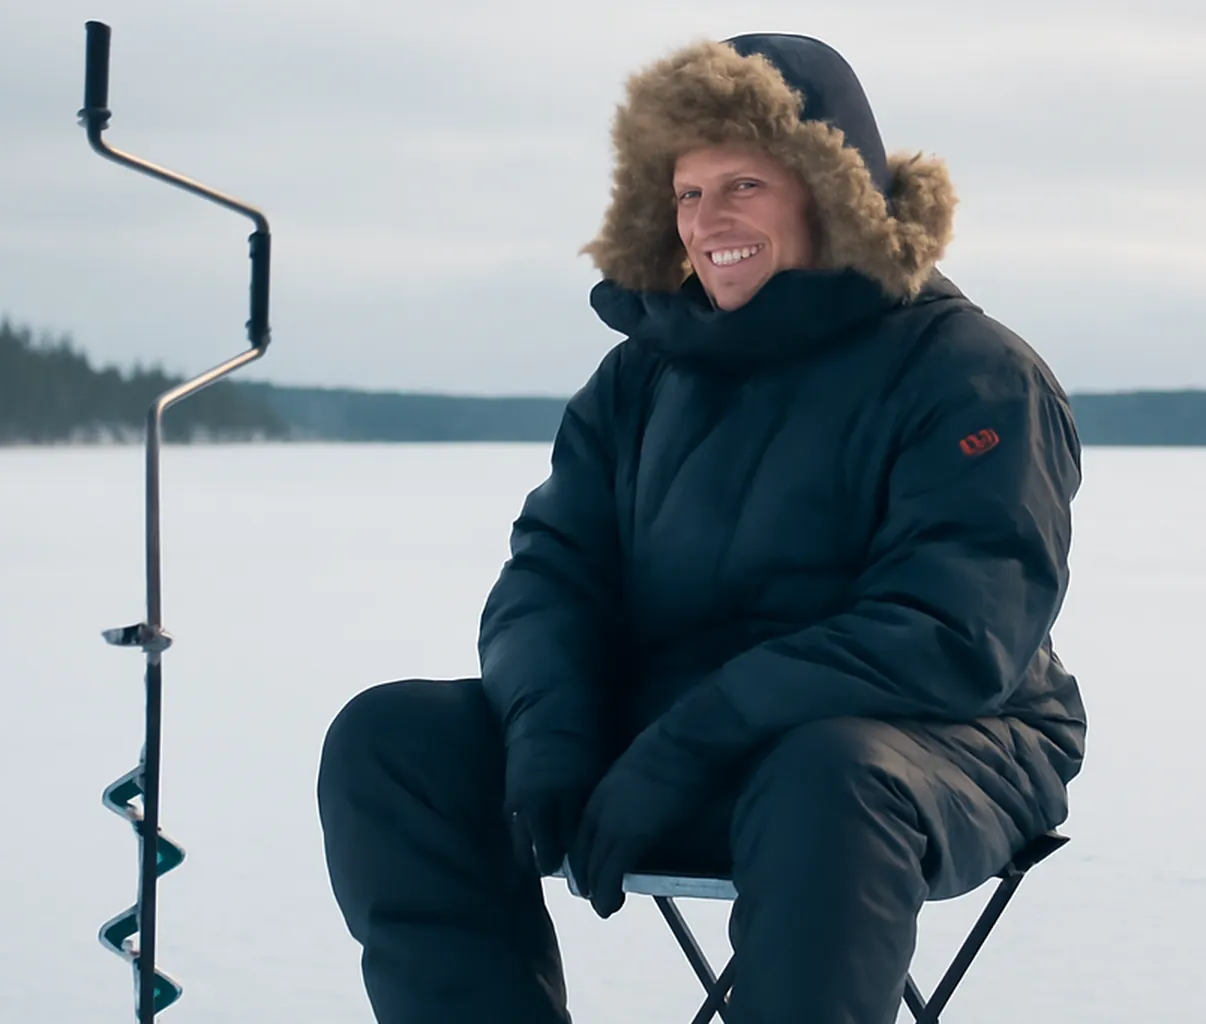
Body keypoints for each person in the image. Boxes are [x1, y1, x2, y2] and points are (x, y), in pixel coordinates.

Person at [317, 31, 1086, 1024]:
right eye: (686, 193)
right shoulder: (640, 379)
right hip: (679, 740)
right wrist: (550, 733)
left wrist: (682, 749)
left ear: (831, 187)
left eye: (743, 187)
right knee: (394, 740)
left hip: (948, 741)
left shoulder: (971, 373)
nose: (708, 221)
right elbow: (554, 576)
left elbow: (948, 632)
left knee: (829, 775)